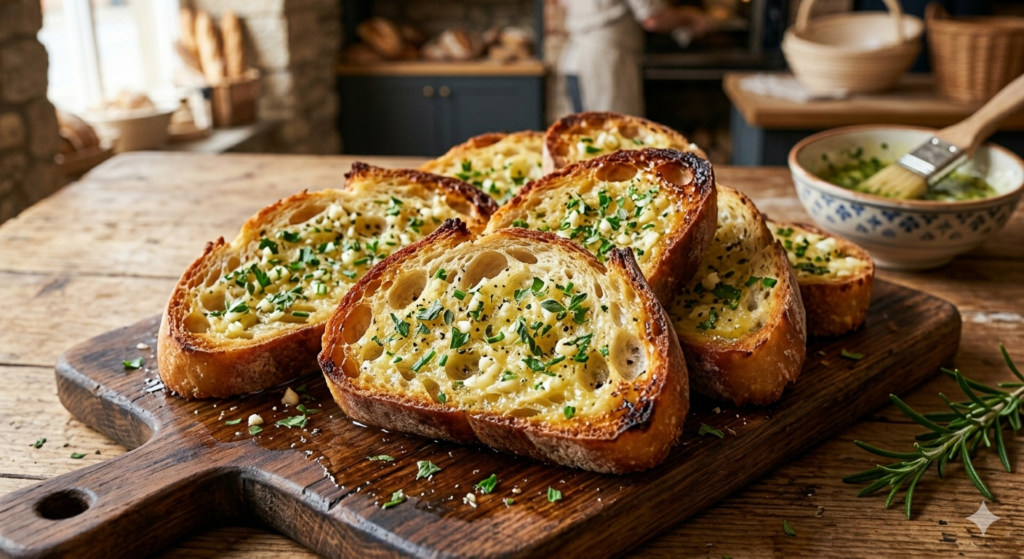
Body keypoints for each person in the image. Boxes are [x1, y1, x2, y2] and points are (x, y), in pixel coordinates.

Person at [560, 0, 711, 116]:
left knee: (586, 139)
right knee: (616, 141)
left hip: (575, 60)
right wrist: (691, 18)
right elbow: (653, 18)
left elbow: (564, 4)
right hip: (608, 62)